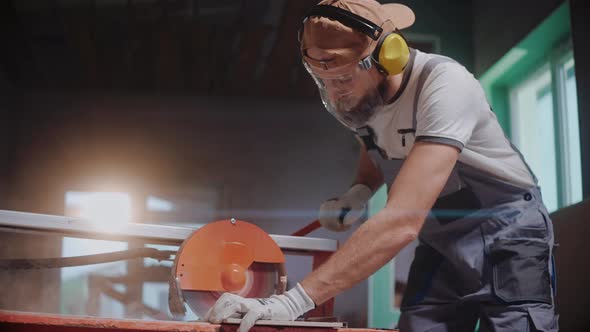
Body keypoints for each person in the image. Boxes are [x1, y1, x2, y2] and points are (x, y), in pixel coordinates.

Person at [205, 0, 559, 331]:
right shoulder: (358, 100)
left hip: (507, 232)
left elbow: (401, 222)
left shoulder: (444, 86)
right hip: (441, 240)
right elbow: (378, 148)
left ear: (389, 57)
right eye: (323, 81)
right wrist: (359, 191)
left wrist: (293, 301)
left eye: (342, 79)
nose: (335, 93)